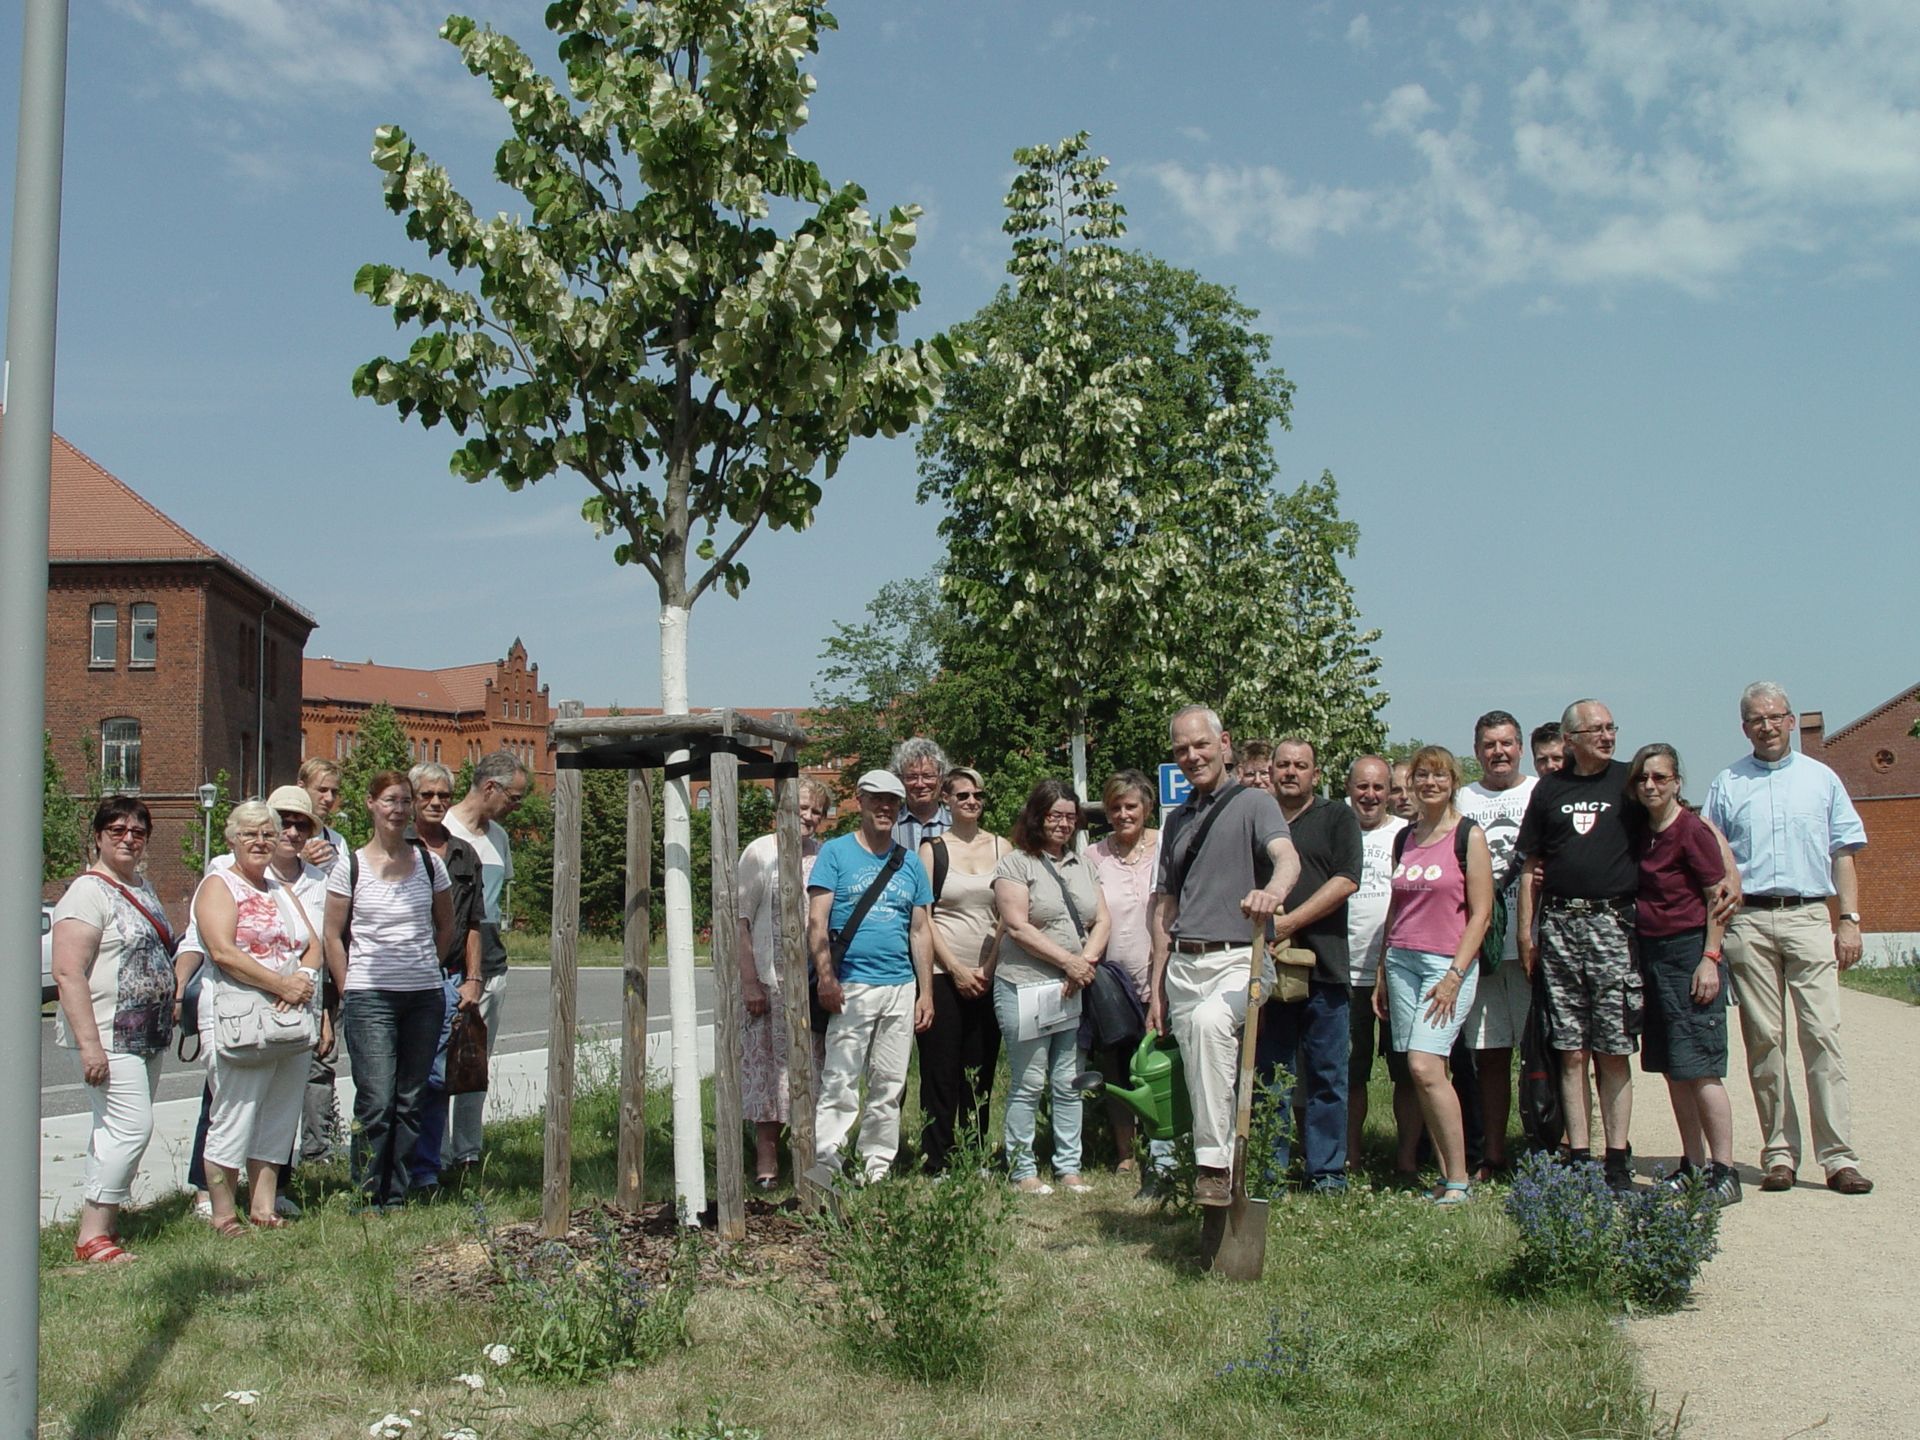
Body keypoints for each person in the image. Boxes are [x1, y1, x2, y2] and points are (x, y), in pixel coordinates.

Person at [1704, 682, 1873, 1196]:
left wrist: (1850, 919)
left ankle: (1838, 1157)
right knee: (1765, 1041)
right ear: (1744, 726)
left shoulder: (1822, 780)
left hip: (1806, 917)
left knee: (1822, 1035)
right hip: (1749, 921)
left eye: (1775, 717)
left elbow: (1844, 852)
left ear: (1792, 721)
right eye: (1756, 719)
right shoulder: (1728, 783)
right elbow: (1711, 857)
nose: (1767, 726)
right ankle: (1779, 1152)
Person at [1146, 706, 1300, 1208]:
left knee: (1213, 1025)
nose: (1192, 756)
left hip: (1242, 959)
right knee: (1199, 1066)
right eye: (1181, 750)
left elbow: (1286, 858)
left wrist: (1271, 894)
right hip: (1184, 964)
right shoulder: (1177, 821)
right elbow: (1165, 904)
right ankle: (1216, 1185)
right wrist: (1157, 980)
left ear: (1224, 744)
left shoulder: (1255, 803)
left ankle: (1214, 1166)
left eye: (1200, 746)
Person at [179, 786, 333, 1220]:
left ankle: (263, 1208)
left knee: (279, 1116)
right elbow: (223, 951)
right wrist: (279, 985)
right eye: (250, 834)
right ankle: (224, 1213)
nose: (262, 841)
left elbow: (313, 943)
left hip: (289, 1019)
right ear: (232, 838)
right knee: (233, 1113)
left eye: (268, 832)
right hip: (238, 1016)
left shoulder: (279, 887)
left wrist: (301, 980)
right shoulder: (218, 883)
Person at [1516, 700, 1642, 1191]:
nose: (1607, 737)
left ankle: (1616, 1157)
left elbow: (1678, 820)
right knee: (1570, 1049)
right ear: (1570, 739)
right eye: (1596, 730)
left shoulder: (1630, 781)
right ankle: (1580, 1155)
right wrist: (1528, 933)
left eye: (1611, 727)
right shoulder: (1549, 789)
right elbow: (1531, 864)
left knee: (1613, 1049)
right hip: (1561, 927)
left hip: (1613, 924)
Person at [49, 797, 176, 1263]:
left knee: (113, 1129)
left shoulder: (141, 887)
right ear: (99, 835)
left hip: (147, 1034)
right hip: (109, 1033)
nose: (128, 838)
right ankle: (92, 1234)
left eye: (138, 831)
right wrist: (90, 1047)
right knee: (131, 1127)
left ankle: (103, 1225)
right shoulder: (88, 892)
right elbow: (68, 973)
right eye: (118, 829)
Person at [323, 770, 455, 1210]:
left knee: (410, 1098)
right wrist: (348, 988)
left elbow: (446, 926)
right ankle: (366, 1192)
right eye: (389, 801)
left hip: (423, 996)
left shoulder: (429, 864)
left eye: (404, 802)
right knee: (377, 1100)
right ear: (371, 804)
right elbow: (332, 935)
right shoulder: (351, 865)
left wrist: (424, 967)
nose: (398, 810)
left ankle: (396, 1193)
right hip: (369, 996)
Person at [1372, 746, 1493, 1203]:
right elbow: (1397, 908)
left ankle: (1460, 1179)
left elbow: (1480, 914)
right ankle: (1445, 1175)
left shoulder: (1469, 836)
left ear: (1453, 782)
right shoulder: (1405, 838)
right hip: (1402, 960)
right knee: (1422, 1069)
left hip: (1447, 964)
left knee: (1425, 1064)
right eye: (1422, 775)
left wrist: (1455, 975)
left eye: (1440, 776)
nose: (1430, 783)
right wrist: (1383, 967)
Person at [805, 771, 935, 1185]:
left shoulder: (910, 862)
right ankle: (826, 1164)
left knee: (890, 1083)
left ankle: (875, 1167)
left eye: (893, 802)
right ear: (859, 801)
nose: (885, 808)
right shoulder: (836, 854)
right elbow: (816, 922)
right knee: (840, 1078)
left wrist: (925, 992)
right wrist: (826, 978)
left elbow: (920, 930)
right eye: (877, 800)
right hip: (852, 985)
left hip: (900, 985)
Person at [1626, 744, 1741, 1205]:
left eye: (1660, 777)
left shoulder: (1691, 830)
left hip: (1690, 952)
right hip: (1651, 955)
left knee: (1703, 1069)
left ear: (1677, 782)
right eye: (1643, 779)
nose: (1651, 786)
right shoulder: (1641, 832)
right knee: (1675, 1069)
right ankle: (1692, 1164)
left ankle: (1724, 1170)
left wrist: (1709, 958)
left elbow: (1719, 896)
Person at [993, 780, 1111, 1194]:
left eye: (1069, 816)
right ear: (1037, 817)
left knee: (1068, 1079)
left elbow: (1102, 920)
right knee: (1028, 1080)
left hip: (1071, 988)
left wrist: (1085, 964)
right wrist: (1069, 962)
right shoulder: (1016, 864)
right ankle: (1023, 1169)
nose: (1062, 823)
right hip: (1025, 985)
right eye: (1053, 815)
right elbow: (1017, 925)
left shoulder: (1083, 864)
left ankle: (1069, 1166)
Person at [1254, 739, 1361, 1191]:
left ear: (1316, 774)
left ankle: (1326, 1174)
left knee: (1327, 1077)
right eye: (1283, 765)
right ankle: (1270, 1172)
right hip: (1267, 970)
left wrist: (1289, 922)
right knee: (1271, 1076)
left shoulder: (1337, 817)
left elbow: (1345, 881)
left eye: (1301, 765)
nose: (1291, 772)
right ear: (1270, 772)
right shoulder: (1258, 819)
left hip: (1325, 968)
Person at [1453, 710, 1538, 1180]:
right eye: (1489, 745)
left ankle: (1549, 1146)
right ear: (1477, 751)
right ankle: (1494, 1153)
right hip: (1481, 949)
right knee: (1489, 1055)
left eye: (1506, 743)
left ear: (1519, 747)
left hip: (1532, 944)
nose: (1498, 752)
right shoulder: (1463, 799)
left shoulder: (1539, 793)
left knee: (1545, 1053)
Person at [737, 778, 834, 1186]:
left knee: (811, 1072)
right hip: (768, 983)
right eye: (802, 809)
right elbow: (739, 919)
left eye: (816, 811)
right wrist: (750, 982)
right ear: (782, 811)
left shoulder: (823, 857)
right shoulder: (760, 852)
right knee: (767, 1073)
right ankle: (766, 1165)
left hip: (809, 987)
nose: (809, 818)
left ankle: (809, 1161)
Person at [915, 767, 1005, 1175]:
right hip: (943, 973)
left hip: (990, 973)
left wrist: (986, 967)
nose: (972, 802)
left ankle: (974, 1154)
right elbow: (924, 917)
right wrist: (953, 968)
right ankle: (937, 1159)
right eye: (963, 795)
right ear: (946, 800)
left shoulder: (1003, 848)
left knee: (981, 1068)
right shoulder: (933, 849)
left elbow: (1010, 914)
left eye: (978, 795)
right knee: (941, 1071)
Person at [441, 750, 527, 1173]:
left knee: (476, 1058)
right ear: (489, 787)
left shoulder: (499, 838)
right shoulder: (442, 829)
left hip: (491, 959)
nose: (516, 807)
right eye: (514, 798)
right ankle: (434, 1152)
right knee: (439, 1059)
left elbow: (493, 904)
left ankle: (468, 1151)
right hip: (450, 959)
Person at [406, 762, 485, 1193]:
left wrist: (473, 978)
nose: (436, 803)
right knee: (392, 1080)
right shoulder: (394, 847)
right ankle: (384, 1170)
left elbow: (475, 921)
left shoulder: (463, 854)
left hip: (446, 978)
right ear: (413, 798)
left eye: (443, 796)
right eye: (427, 796)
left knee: (436, 1079)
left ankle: (426, 1171)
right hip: (397, 977)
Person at [1341, 757, 1414, 1170]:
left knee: (1407, 1071)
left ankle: (1406, 1161)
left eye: (1378, 788)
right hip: (1345, 972)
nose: (1370, 795)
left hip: (1399, 970)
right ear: (1349, 788)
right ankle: (1349, 1159)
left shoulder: (1406, 836)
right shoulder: (1336, 829)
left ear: (1390, 791)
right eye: (1362, 787)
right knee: (1351, 1074)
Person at [1087, 769, 1161, 1173]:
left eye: (1130, 806)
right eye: (1115, 807)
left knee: (1157, 1065)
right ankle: (1126, 1154)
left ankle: (1162, 1144)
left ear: (1147, 807)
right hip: (1113, 980)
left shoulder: (1166, 846)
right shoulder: (1093, 855)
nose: (1122, 814)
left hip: (1159, 974)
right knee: (1117, 1068)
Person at [294, 757, 350, 1162]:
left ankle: (317, 1148)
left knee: (323, 1057)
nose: (328, 798)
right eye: (321, 790)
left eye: (334, 791)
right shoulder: (280, 832)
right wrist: (302, 863)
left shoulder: (337, 841)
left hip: (328, 960)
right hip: (288, 962)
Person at [890, 737, 951, 851]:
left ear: (941, 779)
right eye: (912, 777)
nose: (920, 784)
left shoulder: (957, 825)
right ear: (900, 780)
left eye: (928, 776)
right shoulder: (888, 826)